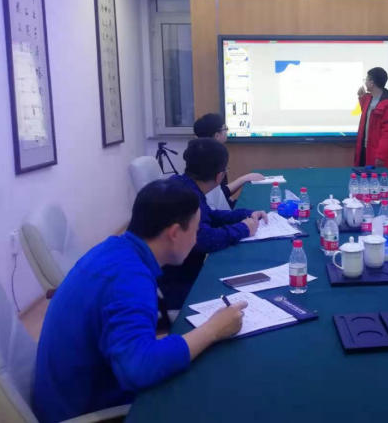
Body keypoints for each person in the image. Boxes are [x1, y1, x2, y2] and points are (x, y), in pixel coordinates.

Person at [34, 180, 248, 423]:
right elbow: (138, 369)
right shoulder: (130, 280)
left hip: (72, 390)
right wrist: (213, 329)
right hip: (87, 410)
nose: (197, 238)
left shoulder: (115, 249)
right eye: (196, 230)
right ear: (174, 233)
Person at [162, 138, 268, 309]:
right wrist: (243, 228)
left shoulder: (182, 183)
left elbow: (210, 215)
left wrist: (245, 214)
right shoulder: (187, 197)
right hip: (182, 283)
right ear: (220, 176)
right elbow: (205, 239)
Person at [193, 113, 264, 209]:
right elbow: (218, 195)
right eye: (225, 128)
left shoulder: (201, 152)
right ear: (217, 135)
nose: (227, 131)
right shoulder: (211, 158)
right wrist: (244, 178)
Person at [354, 67, 388, 176]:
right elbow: (368, 117)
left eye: (366, 80)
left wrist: (380, 156)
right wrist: (362, 97)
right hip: (366, 149)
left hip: (377, 154)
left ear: (372, 83)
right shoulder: (369, 98)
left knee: (378, 181)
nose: (365, 82)